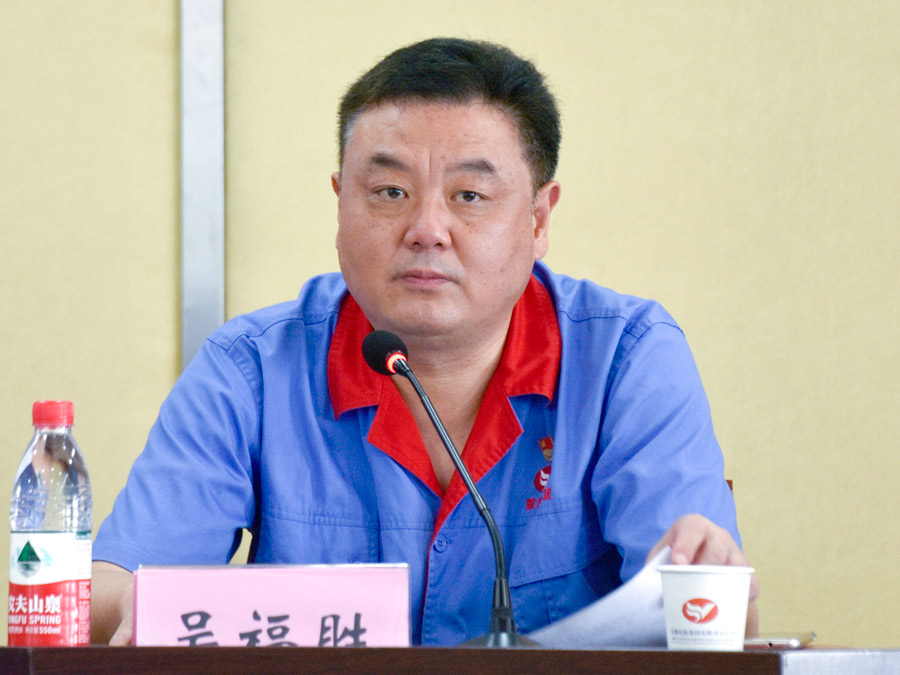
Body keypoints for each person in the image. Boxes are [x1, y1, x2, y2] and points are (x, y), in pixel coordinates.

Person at [91, 37, 758, 646]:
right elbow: (107, 592)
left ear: (538, 218)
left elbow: (717, 624)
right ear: (340, 203)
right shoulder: (252, 369)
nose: (427, 229)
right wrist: (141, 608)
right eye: (390, 191)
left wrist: (709, 585)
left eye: (469, 195)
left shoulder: (625, 361)